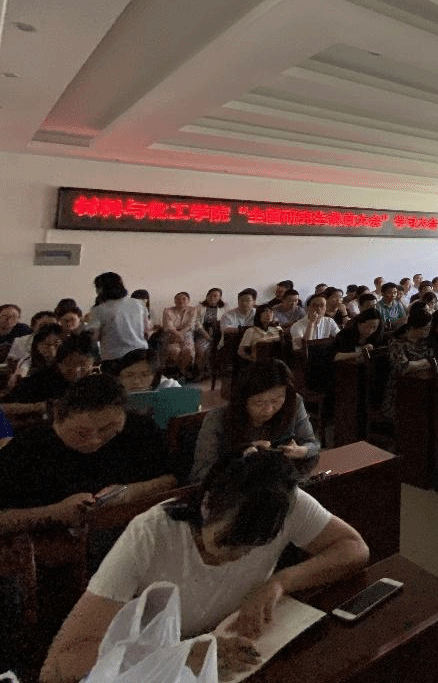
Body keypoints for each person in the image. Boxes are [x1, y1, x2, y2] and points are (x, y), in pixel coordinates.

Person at [41, 450, 368, 683]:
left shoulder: (283, 503)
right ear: (208, 504)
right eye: (228, 543)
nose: (238, 557)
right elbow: (58, 666)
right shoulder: (151, 535)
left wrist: (279, 582)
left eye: (255, 547)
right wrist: (182, 654)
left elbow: (353, 548)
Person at [0, 373, 175, 535]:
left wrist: (129, 493)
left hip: (136, 531)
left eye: (108, 429)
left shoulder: (139, 430)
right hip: (58, 545)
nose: (95, 440)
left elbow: (173, 479)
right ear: (58, 418)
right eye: (82, 433)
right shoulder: (28, 448)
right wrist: (55, 513)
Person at [191, 360, 320, 483]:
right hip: (235, 489)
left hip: (280, 484)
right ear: (243, 400)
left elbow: (313, 444)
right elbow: (200, 473)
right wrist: (241, 457)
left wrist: (301, 451)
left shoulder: (293, 403)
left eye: (276, 401)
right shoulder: (217, 419)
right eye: (259, 402)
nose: (268, 410)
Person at [4, 332, 97, 415]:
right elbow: (4, 406)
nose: (76, 370)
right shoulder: (39, 381)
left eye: (83, 365)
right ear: (59, 363)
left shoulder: (96, 382)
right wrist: (41, 407)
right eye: (70, 364)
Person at [88, 272, 150, 370]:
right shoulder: (139, 304)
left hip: (114, 358)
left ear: (101, 289)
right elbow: (146, 331)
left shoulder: (99, 310)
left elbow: (94, 337)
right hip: (141, 354)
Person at [384, 305, 433, 417]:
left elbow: (433, 360)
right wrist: (424, 362)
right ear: (413, 327)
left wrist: (417, 364)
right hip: (401, 388)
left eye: (429, 328)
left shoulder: (424, 341)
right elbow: (403, 367)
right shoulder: (397, 343)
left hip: (421, 383)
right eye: (425, 328)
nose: (428, 331)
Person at [161, 292, 197, 376]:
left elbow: (190, 325)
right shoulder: (168, 311)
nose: (181, 301)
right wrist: (178, 334)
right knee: (174, 350)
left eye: (184, 299)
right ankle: (174, 371)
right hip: (171, 334)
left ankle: (182, 370)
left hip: (186, 333)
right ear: (175, 301)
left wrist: (181, 333)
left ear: (188, 300)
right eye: (178, 299)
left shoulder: (193, 310)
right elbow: (169, 326)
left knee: (188, 350)